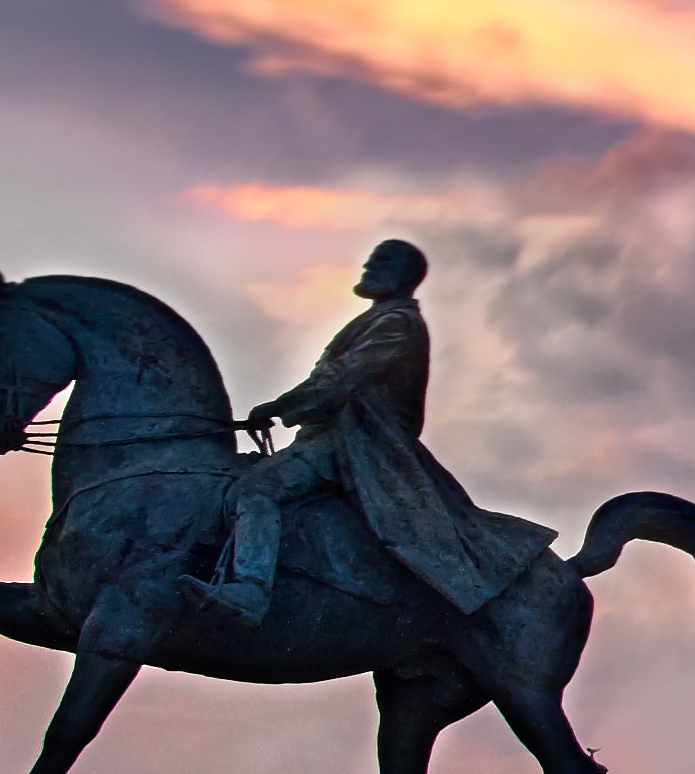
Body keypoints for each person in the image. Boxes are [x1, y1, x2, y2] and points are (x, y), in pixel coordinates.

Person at [193, 238, 552, 622]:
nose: (368, 267)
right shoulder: (379, 319)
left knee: (256, 488)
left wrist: (281, 406)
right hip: (330, 437)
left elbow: (344, 377)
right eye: (370, 260)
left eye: (381, 262)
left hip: (358, 444)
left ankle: (250, 589)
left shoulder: (397, 324)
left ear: (406, 276)